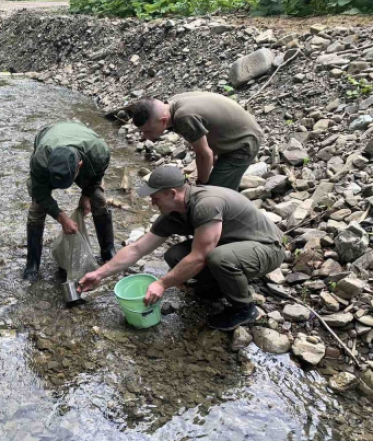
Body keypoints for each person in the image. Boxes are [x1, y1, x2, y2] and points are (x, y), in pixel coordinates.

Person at [77, 166, 285, 331]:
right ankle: (217, 288)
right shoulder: (173, 212)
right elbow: (137, 249)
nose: (152, 204)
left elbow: (199, 256)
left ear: (172, 193)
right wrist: (98, 274)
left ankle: (245, 309)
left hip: (266, 248)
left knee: (219, 258)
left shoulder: (206, 204)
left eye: (155, 198)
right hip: (234, 243)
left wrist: (162, 283)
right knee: (175, 255)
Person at [23, 122, 116, 282]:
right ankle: (32, 264)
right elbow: (40, 192)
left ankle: (108, 251)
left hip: (84, 149)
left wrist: (86, 195)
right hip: (49, 138)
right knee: (36, 210)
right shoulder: (40, 159)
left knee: (99, 200)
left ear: (79, 166)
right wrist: (61, 217)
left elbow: (96, 176)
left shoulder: (99, 153)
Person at [129, 92, 263, 191]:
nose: (144, 137)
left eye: (147, 131)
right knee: (214, 183)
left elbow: (204, 154)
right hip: (234, 134)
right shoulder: (172, 104)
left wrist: (201, 182)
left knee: (213, 195)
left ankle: (232, 221)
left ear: (163, 121)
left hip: (244, 143)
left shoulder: (183, 118)